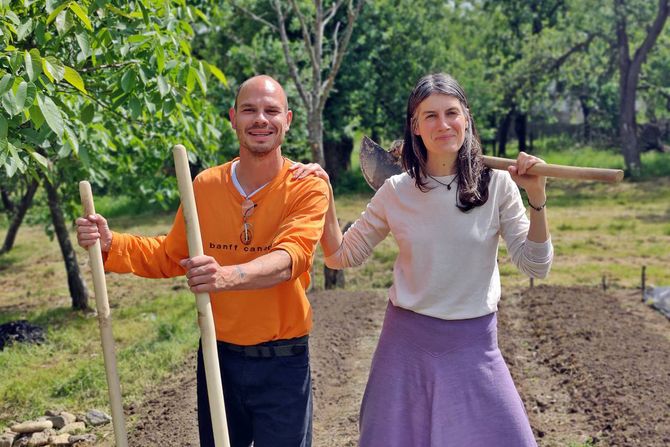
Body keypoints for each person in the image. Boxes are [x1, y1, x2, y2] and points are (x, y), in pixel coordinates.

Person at [290, 72, 552, 446]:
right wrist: (326, 194)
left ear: (467, 119)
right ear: (415, 127)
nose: (443, 124)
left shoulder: (497, 186)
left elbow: (535, 265)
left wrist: (537, 198)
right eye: (430, 116)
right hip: (405, 348)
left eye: (451, 113)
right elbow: (340, 256)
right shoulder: (396, 190)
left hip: (475, 345)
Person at [77, 75, 329, 447]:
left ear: (287, 120)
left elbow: (291, 258)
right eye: (249, 110)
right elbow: (169, 256)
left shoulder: (306, 185)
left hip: (283, 361)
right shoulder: (205, 186)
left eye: (271, 110)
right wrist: (111, 243)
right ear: (232, 118)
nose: (261, 119)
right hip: (218, 355)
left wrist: (225, 276)